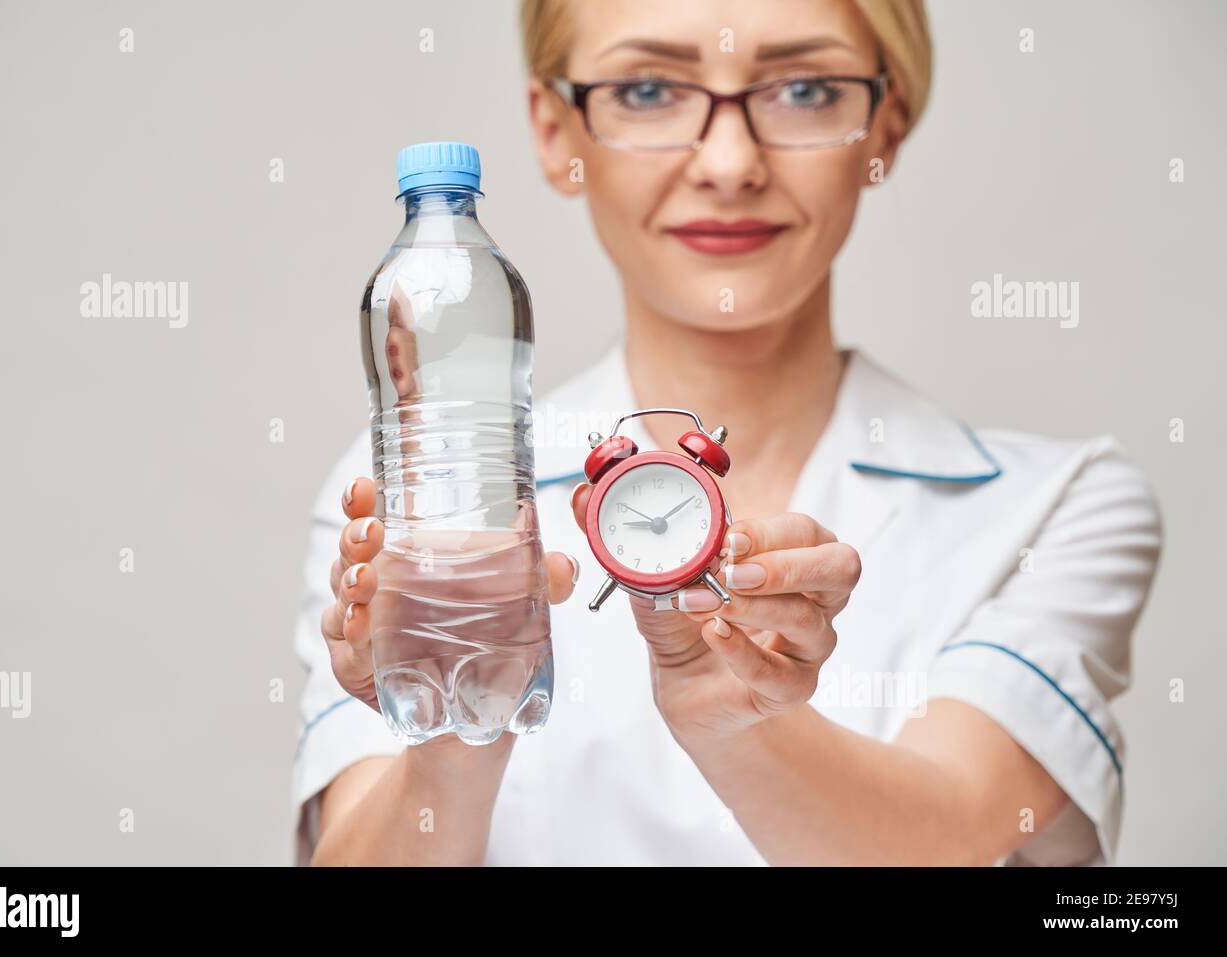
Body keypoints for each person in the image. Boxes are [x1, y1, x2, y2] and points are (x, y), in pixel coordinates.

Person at [292, 0, 1162, 866]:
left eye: (807, 88)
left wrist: (739, 728)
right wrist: (459, 712)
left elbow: (955, 830)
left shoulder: (1058, 505)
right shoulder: (413, 516)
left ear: (884, 129)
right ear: (557, 134)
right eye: (645, 89)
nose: (730, 161)